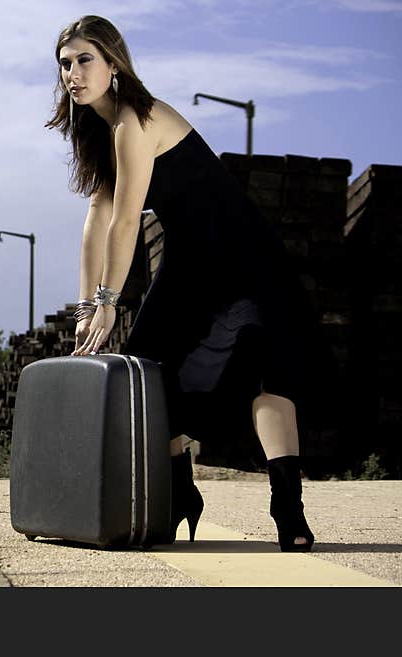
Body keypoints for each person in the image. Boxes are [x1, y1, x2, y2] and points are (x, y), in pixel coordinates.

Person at [49, 15, 331, 551]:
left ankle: (288, 510)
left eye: (85, 59)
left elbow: (127, 220)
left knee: (261, 370)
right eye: (65, 63)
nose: (73, 73)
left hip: (242, 251)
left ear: (114, 62)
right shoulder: (99, 130)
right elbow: (96, 222)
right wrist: (85, 306)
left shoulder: (136, 119)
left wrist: (109, 301)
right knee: (150, 370)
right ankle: (181, 495)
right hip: (190, 259)